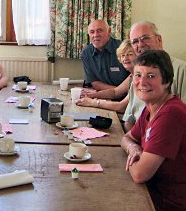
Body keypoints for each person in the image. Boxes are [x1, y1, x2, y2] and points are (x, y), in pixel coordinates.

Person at [120, 50, 186, 210]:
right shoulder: (150, 108)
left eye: (151, 76)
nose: (142, 82)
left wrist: (135, 161)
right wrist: (134, 149)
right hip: (150, 192)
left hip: (168, 202)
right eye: (137, 75)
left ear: (167, 81)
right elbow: (126, 138)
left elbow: (139, 174)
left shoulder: (171, 114)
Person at [123, 21, 186, 131]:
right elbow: (129, 118)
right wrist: (132, 142)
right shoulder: (137, 76)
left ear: (159, 40)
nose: (140, 44)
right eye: (135, 42)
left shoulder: (181, 69)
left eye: (145, 38)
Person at [77, 39, 135, 113]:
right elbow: (115, 92)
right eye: (123, 55)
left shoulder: (140, 77)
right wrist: (90, 95)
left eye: (130, 54)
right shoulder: (132, 75)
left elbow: (121, 107)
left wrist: (93, 102)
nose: (125, 58)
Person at [81, 19, 129, 90]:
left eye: (100, 30)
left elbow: (133, 77)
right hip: (103, 95)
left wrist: (119, 92)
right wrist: (115, 92)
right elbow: (94, 83)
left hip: (127, 96)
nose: (96, 35)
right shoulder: (86, 52)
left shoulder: (123, 48)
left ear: (109, 31)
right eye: (92, 32)